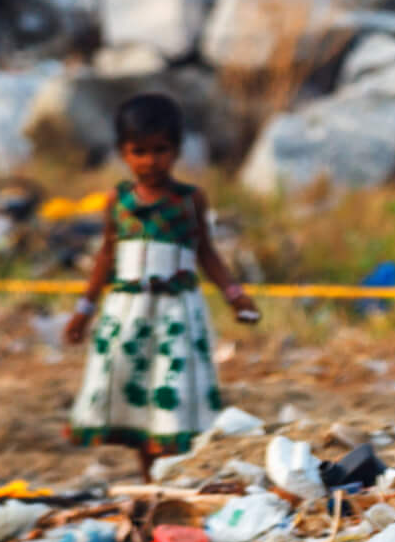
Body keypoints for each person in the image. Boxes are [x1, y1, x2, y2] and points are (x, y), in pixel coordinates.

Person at [64, 93, 259, 479]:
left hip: (175, 313)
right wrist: (84, 310)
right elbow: (106, 255)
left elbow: (206, 252)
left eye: (161, 150)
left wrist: (235, 295)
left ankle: (170, 474)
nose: (150, 161)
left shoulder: (188, 201)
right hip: (130, 312)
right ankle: (147, 474)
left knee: (171, 386)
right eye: (139, 151)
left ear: (176, 151)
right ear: (123, 152)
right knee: (133, 387)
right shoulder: (118, 202)